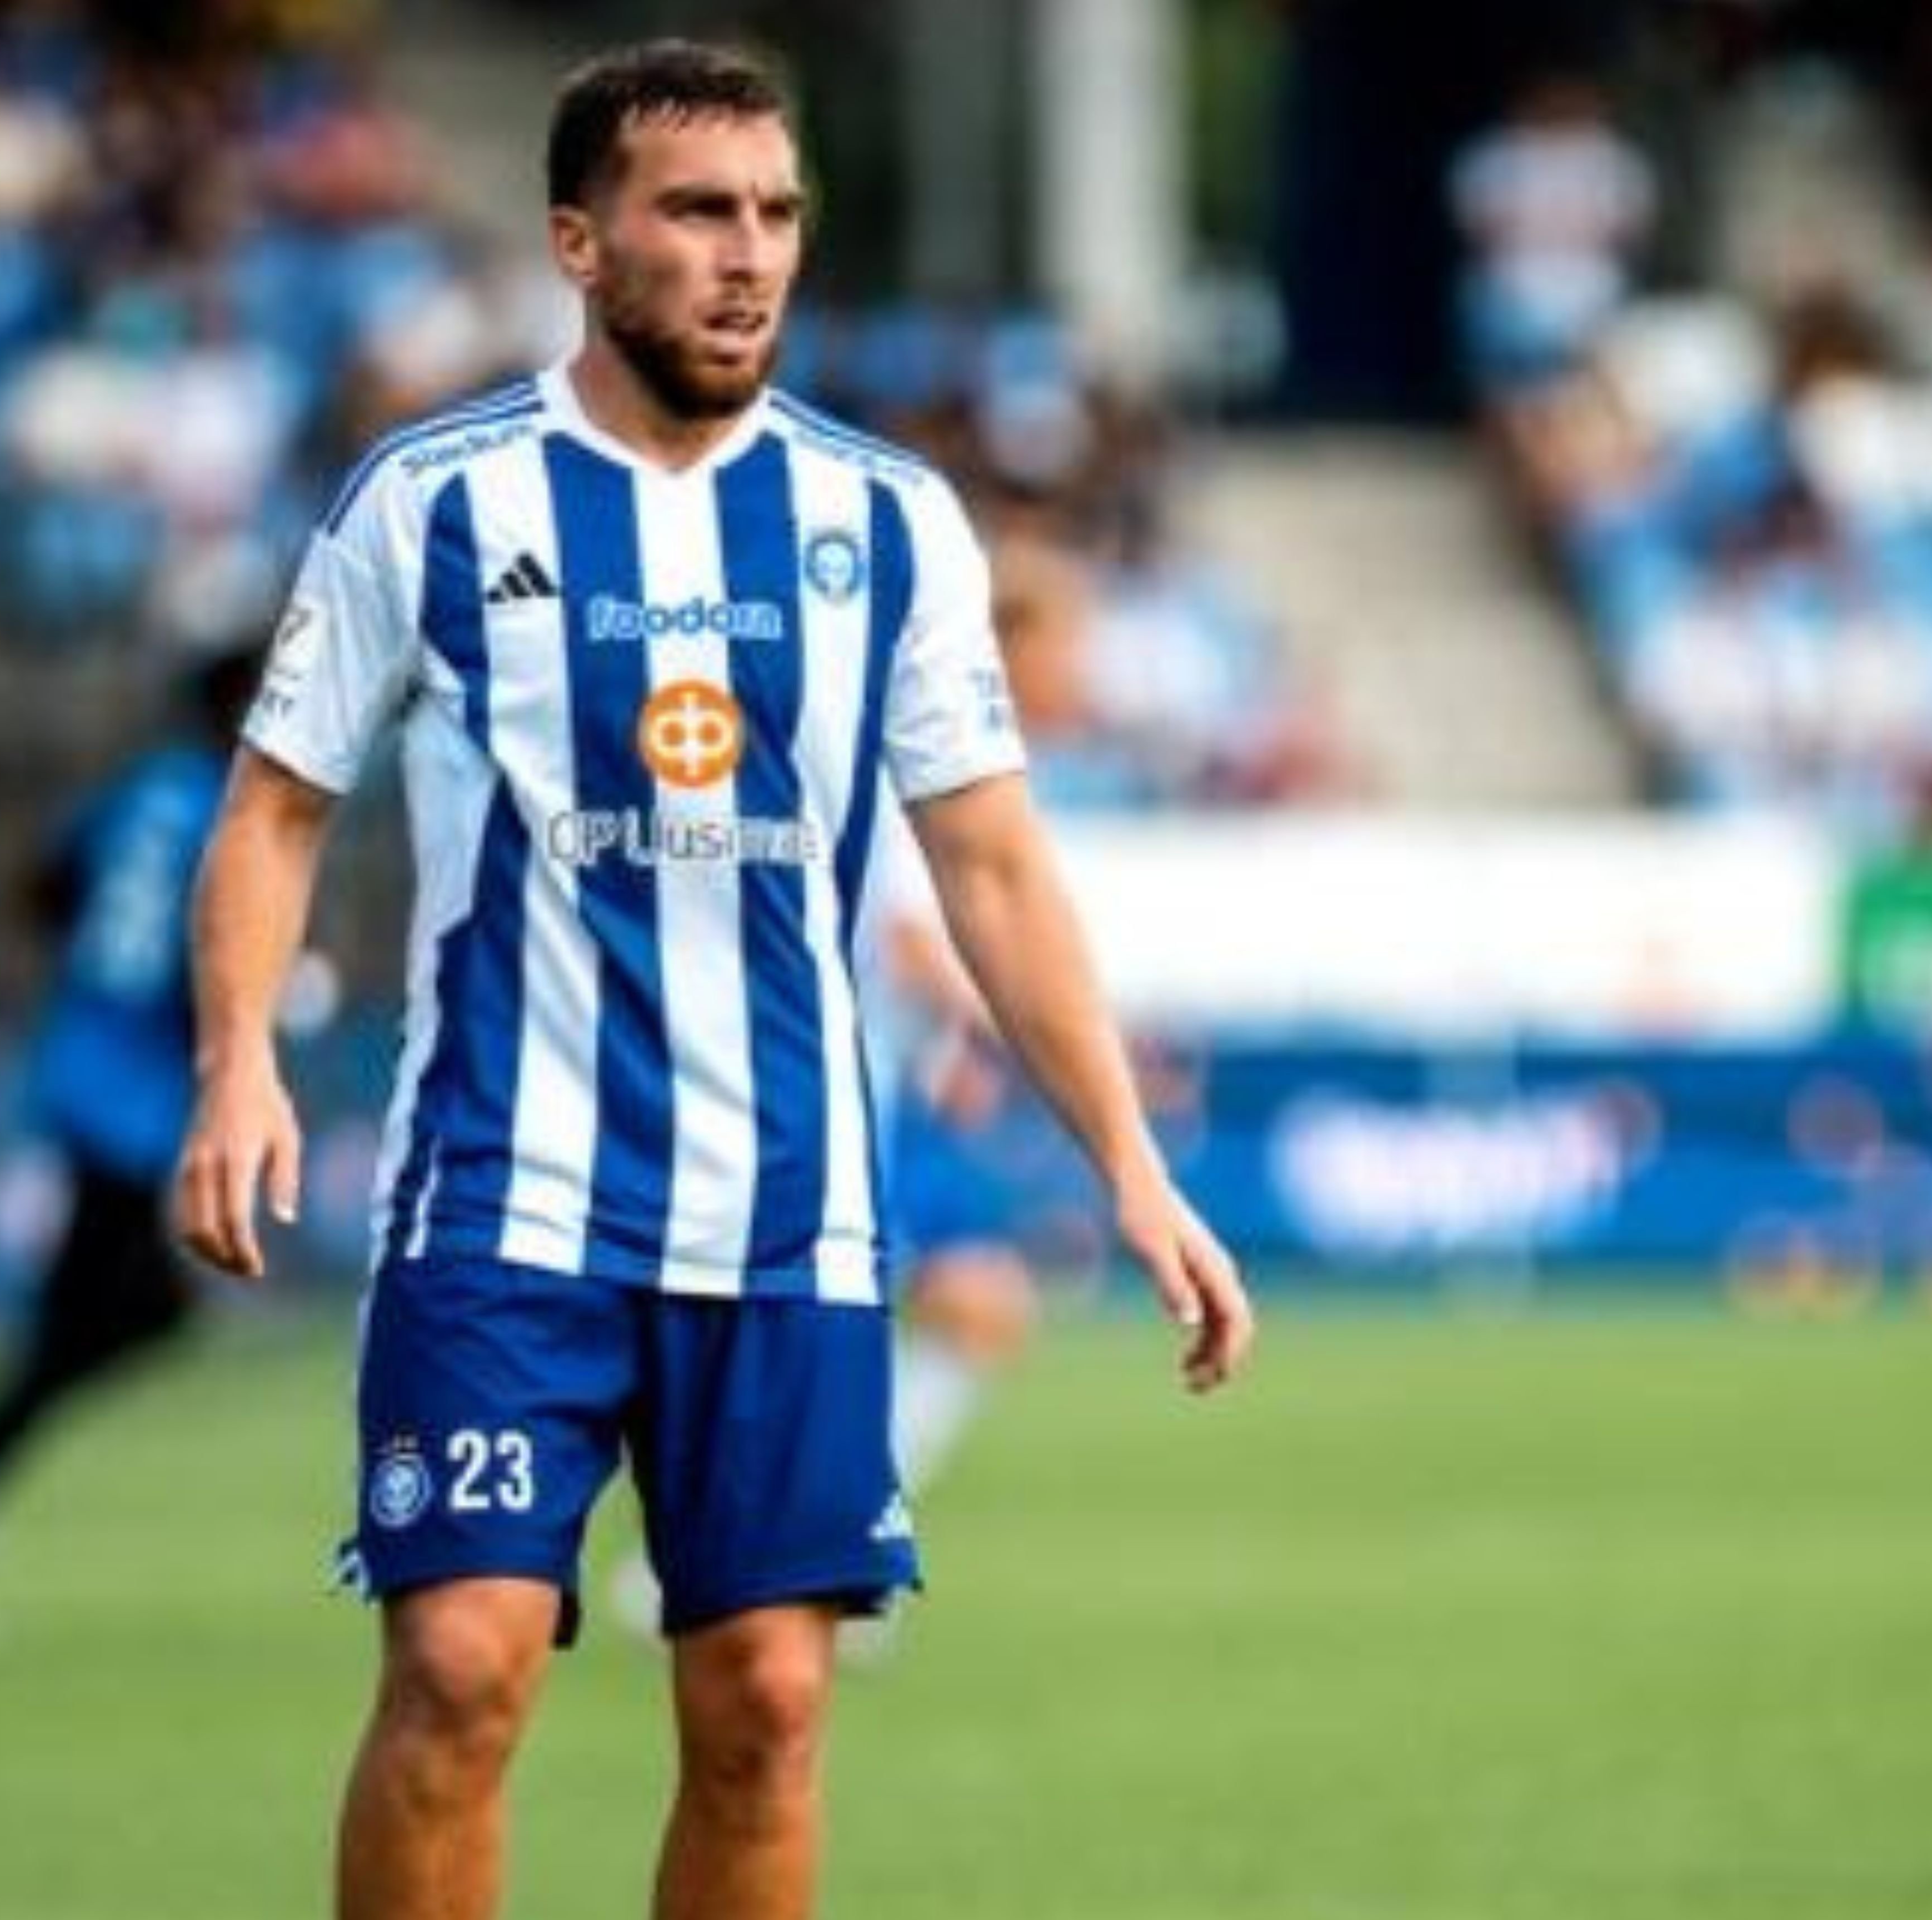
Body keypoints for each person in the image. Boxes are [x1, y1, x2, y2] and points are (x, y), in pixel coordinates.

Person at [172, 41, 1255, 1920]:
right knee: (460, 1666)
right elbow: (274, 806)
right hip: (503, 1189)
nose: (747, 254)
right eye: (695, 212)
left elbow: (993, 863)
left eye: (775, 214)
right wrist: (237, 1059)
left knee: (763, 1703)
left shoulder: (886, 519)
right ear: (580, 244)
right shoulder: (434, 500)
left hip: (787, 1211)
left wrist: (1131, 1169)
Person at [0, 647, 261, 1664]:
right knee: (116, 1313)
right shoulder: (230, 815)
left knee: (129, 1311)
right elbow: (213, 953)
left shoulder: (145, 791)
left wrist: (95, 977)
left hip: (81, 1060)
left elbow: (41, 887)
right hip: (131, 1098)